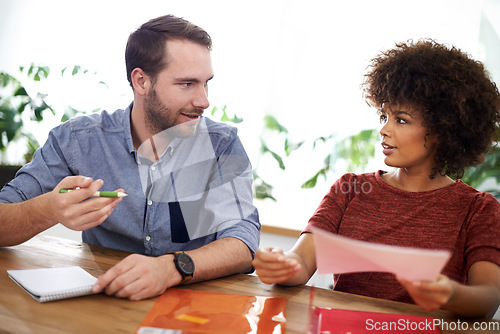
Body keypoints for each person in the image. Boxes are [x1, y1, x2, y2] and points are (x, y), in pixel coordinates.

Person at [0, 14, 260, 301]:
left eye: (205, 83)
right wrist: (47, 208)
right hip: (102, 304)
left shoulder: (221, 143)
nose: (204, 101)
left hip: (194, 306)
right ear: (141, 81)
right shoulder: (77, 140)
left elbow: (242, 242)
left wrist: (172, 268)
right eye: (187, 84)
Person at [253, 39, 500, 318]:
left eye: (401, 119)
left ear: (445, 129)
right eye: (383, 115)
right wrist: (281, 266)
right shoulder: (350, 189)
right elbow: (301, 261)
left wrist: (451, 294)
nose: (383, 129)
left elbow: (488, 299)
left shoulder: (478, 208)